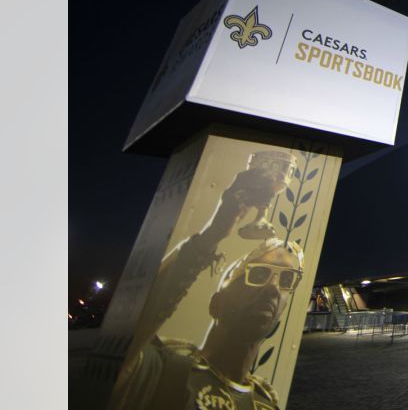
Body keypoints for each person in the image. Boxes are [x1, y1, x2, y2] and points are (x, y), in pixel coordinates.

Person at [109, 152, 304, 410]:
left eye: (287, 278)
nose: (272, 288)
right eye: (258, 274)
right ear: (217, 303)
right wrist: (211, 235)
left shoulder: (265, 402)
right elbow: (120, 344)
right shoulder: (161, 366)